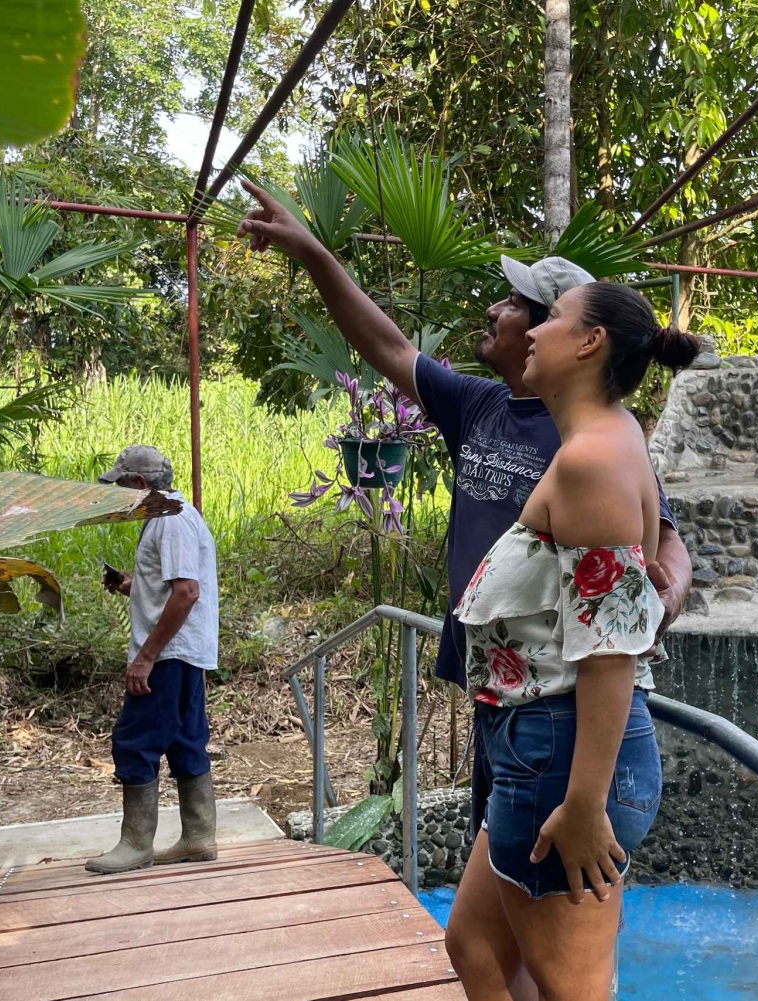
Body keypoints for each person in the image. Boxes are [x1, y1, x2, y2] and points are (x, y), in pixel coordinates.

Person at [235, 177, 692, 813]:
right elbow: (387, 344)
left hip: (555, 701)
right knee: (500, 877)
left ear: (562, 335)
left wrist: (662, 595)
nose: (499, 315)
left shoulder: (597, 447)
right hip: (501, 685)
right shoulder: (481, 406)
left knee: (549, 888)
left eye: (518, 305)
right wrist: (313, 251)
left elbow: (658, 551)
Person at [452, 283, 697, 997]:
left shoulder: (594, 461)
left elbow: (612, 647)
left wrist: (586, 804)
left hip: (564, 759)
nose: (532, 330)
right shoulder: (609, 438)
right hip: (542, 747)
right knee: (473, 943)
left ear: (590, 342)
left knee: (574, 988)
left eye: (552, 317)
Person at [87, 445, 221, 875]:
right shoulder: (170, 515)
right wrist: (130, 585)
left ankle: (136, 843)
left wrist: (146, 657)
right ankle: (199, 837)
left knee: (134, 740)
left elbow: (186, 593)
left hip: (169, 654)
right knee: (184, 739)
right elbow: (172, 589)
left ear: (141, 485)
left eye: (121, 486)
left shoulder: (172, 521)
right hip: (181, 652)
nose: (118, 496)